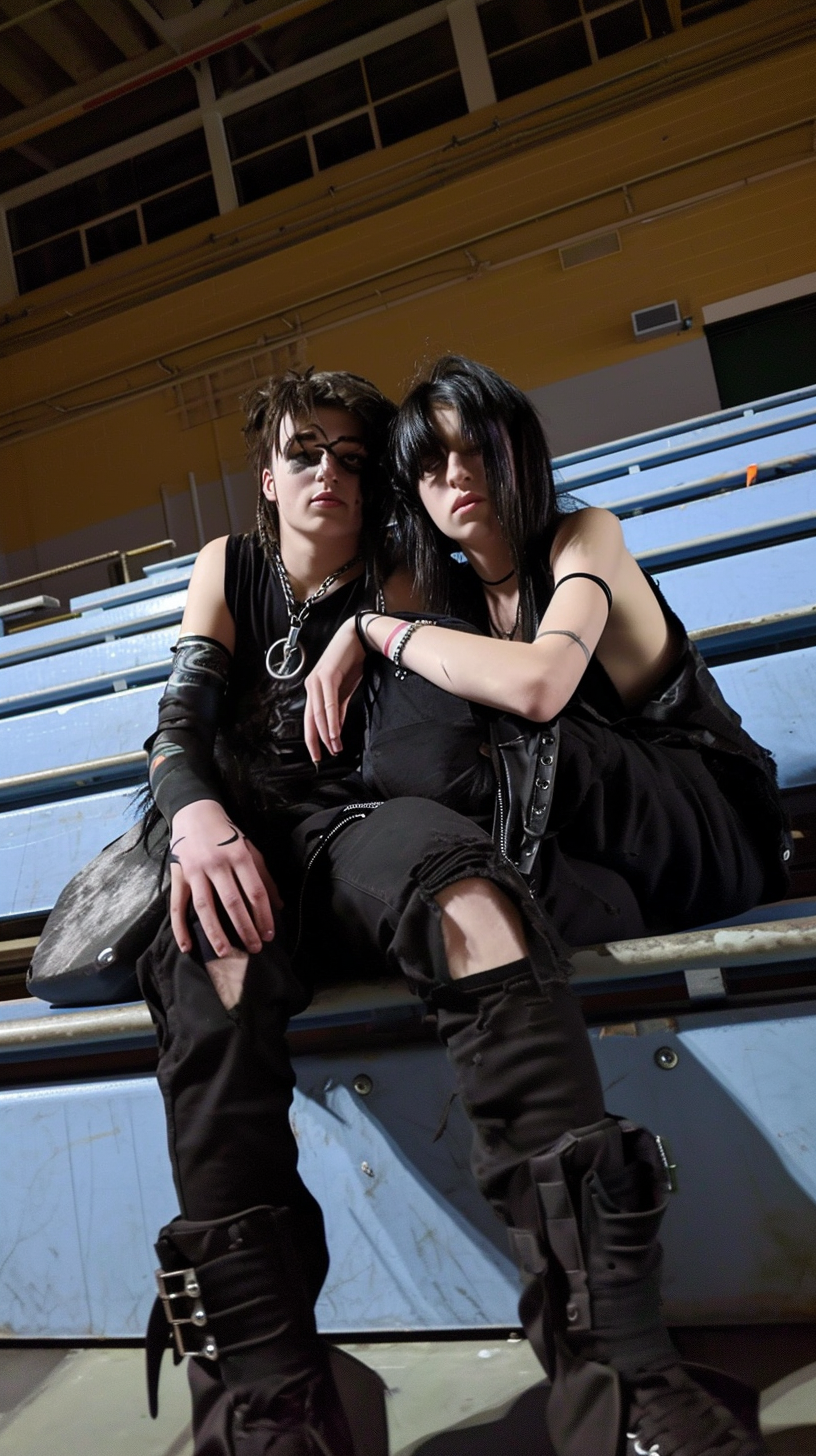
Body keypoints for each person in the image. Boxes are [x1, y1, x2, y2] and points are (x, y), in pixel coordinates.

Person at [302, 355, 790, 1456]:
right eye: (433, 466)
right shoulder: (443, 587)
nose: (459, 478)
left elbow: (537, 687)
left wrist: (370, 631)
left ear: (521, 452)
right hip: (583, 858)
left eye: (479, 450)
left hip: (699, 820)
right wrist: (365, 621)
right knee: (434, 765)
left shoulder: (587, 538)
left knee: (462, 725)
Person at [137, 367, 403, 1456]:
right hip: (233, 844)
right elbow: (179, 721)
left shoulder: (403, 567)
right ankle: (270, 1384)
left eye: (350, 456)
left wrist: (368, 625)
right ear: (268, 474)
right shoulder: (230, 565)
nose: (327, 472)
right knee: (205, 971)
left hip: (346, 854)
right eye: (306, 451)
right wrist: (195, 816)